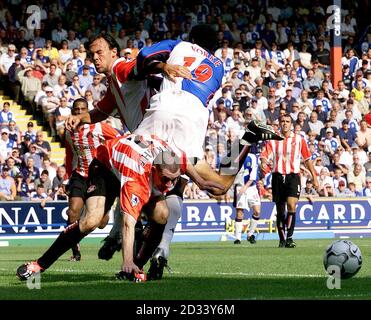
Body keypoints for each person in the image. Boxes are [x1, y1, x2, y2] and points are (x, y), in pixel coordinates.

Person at [66, 30, 282, 278]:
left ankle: (120, 238)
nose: (94, 57)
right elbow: (102, 109)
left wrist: (163, 66)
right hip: (191, 121)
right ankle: (248, 137)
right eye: (91, 54)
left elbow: (142, 62)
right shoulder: (218, 66)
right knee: (215, 186)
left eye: (98, 52)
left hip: (153, 128)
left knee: (137, 186)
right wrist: (80, 118)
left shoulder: (129, 66)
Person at [16, 133, 214, 281]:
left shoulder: (173, 156)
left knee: (163, 214)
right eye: (165, 180)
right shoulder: (136, 178)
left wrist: (201, 182)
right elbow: (128, 223)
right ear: (154, 169)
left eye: (174, 180)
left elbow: (185, 162)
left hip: (130, 158)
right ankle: (39, 264)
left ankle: (136, 267)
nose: (169, 186)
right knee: (91, 222)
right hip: (104, 168)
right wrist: (125, 259)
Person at [64, 98, 121, 261]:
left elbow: (119, 140)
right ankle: (75, 251)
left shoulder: (100, 127)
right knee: (73, 211)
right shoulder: (68, 130)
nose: (79, 112)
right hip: (80, 174)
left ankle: (106, 212)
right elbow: (69, 155)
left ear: (87, 111)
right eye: (76, 109)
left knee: (101, 222)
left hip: (100, 176)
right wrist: (66, 179)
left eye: (83, 109)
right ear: (72, 111)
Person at [260, 114, 319, 248]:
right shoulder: (273, 140)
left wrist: (314, 177)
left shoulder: (299, 140)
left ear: (291, 124)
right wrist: (263, 162)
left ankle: (290, 238)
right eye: (282, 121)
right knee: (280, 210)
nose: (285, 124)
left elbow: (307, 159)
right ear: (279, 124)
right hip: (278, 177)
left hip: (293, 177)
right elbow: (264, 155)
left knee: (292, 205)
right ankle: (282, 238)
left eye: (287, 121)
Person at [233, 151, 261, 244]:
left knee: (257, 211)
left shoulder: (252, 157)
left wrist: (245, 187)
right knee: (239, 213)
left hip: (251, 187)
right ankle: (238, 238)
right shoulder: (234, 157)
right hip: (239, 187)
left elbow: (253, 175)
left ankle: (250, 234)